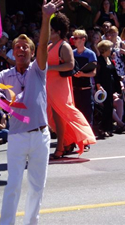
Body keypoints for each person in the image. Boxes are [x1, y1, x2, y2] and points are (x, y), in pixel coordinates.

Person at [0, 1, 64, 224]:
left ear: (33, 53)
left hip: (41, 136)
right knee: (13, 185)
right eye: (17, 47)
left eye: (26, 47)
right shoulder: (4, 76)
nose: (21, 49)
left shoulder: (38, 71)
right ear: (13, 53)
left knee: (37, 187)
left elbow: (43, 45)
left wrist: (46, 18)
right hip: (17, 137)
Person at [46, 12, 96, 158]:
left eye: (51, 30)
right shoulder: (49, 46)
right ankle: (67, 143)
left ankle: (61, 147)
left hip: (60, 86)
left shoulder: (64, 46)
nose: (49, 32)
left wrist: (51, 68)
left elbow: (70, 65)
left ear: (58, 31)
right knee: (54, 117)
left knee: (63, 114)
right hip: (50, 85)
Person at [72, 29, 97, 150]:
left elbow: (93, 72)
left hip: (86, 89)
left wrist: (82, 75)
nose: (74, 40)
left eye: (77, 38)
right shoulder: (71, 53)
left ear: (83, 39)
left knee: (87, 115)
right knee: (75, 116)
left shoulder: (90, 54)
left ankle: (86, 141)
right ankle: (74, 140)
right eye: (74, 38)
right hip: (74, 89)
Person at [95, 40, 122, 137]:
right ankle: (103, 128)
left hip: (110, 87)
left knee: (110, 108)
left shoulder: (109, 59)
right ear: (104, 49)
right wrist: (98, 85)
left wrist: (118, 89)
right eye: (110, 48)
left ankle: (109, 128)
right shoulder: (99, 60)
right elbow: (97, 74)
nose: (111, 50)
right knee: (106, 108)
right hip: (103, 88)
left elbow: (114, 74)